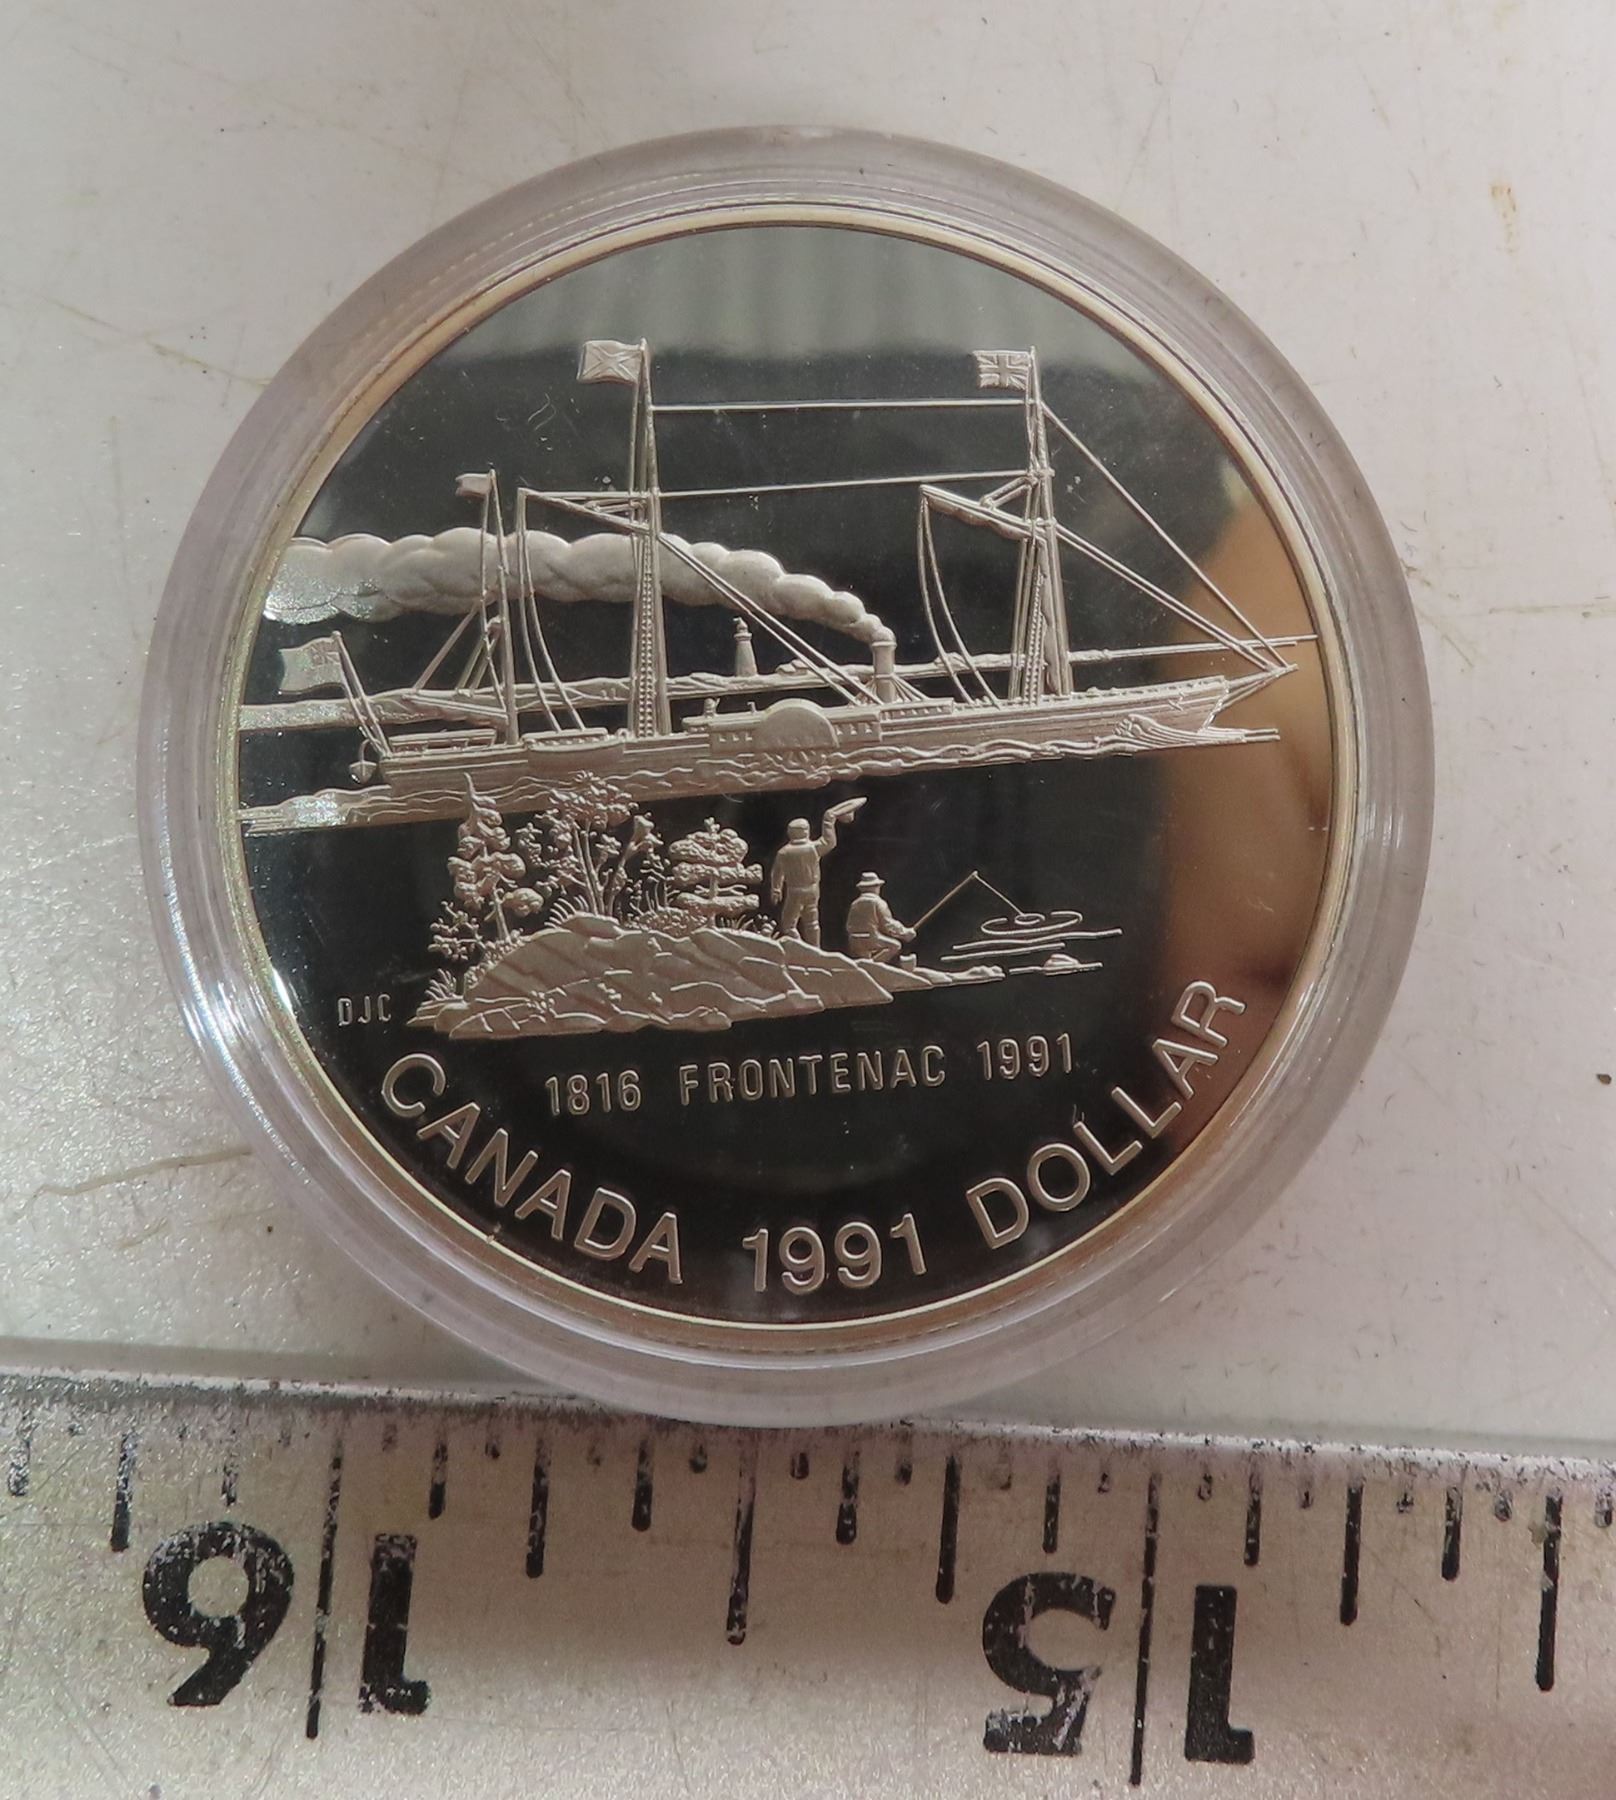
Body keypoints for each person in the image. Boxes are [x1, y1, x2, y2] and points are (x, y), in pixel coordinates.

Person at [769, 800, 863, 945]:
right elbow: (829, 841)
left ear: (790, 832)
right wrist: (828, 821)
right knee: (812, 922)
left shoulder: (784, 852)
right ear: (806, 831)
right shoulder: (813, 848)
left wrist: (776, 889)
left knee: (788, 925)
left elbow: (777, 872)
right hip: (812, 890)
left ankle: (801, 948)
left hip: (794, 891)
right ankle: (815, 949)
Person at [845, 872, 915, 964]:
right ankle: (873, 965)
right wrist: (905, 933)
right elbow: (888, 924)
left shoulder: (855, 904)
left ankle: (867, 964)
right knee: (895, 946)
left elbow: (849, 925)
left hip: (853, 940)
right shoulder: (877, 902)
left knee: (865, 958)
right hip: (871, 938)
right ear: (875, 887)